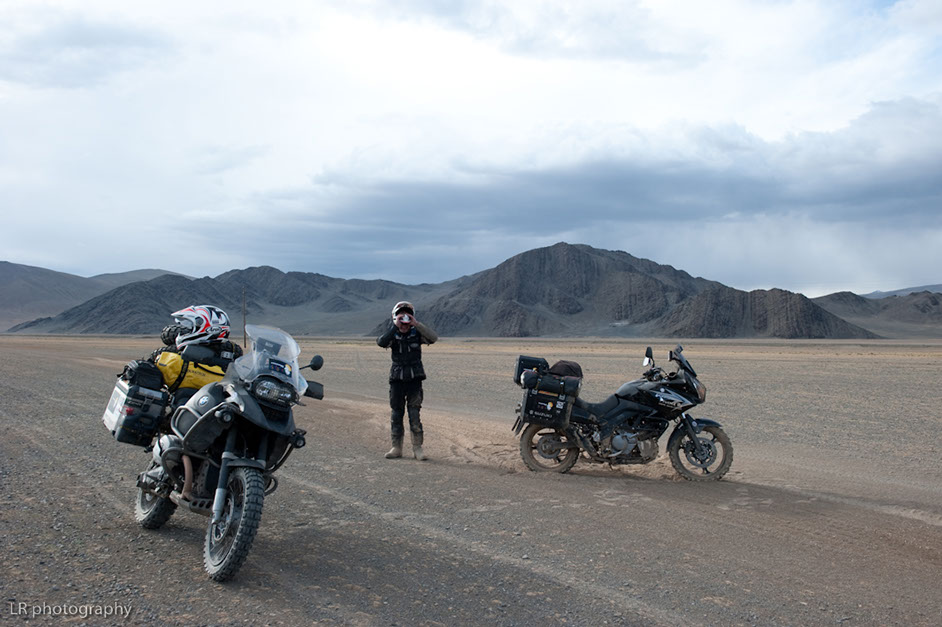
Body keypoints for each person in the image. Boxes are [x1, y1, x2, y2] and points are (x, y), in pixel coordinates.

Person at [146, 305, 243, 407]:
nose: (184, 331)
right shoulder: (178, 355)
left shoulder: (228, 358)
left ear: (211, 329)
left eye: (190, 327)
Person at [376, 301, 438, 460]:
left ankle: (417, 448)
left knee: (414, 414)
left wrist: (416, 324)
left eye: (407, 317)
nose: (404, 321)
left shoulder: (417, 334)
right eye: (401, 316)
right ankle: (396, 447)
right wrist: (395, 326)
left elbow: (433, 338)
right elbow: (381, 342)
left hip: (414, 380)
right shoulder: (393, 335)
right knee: (396, 414)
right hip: (397, 380)